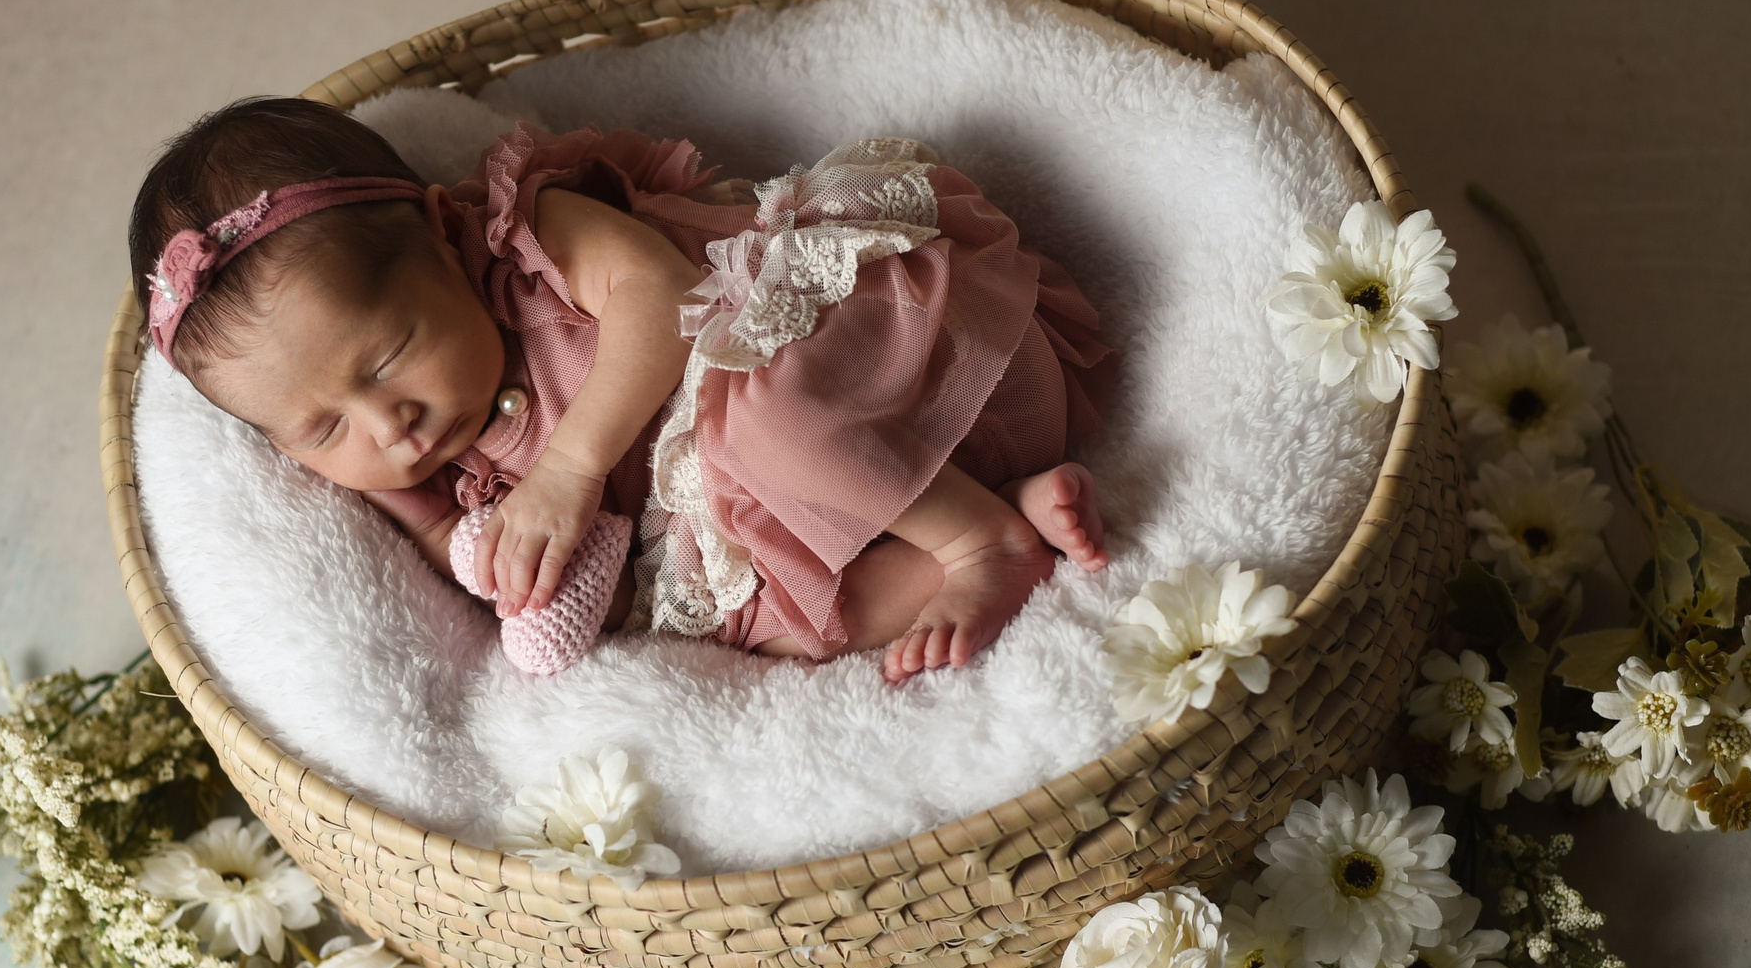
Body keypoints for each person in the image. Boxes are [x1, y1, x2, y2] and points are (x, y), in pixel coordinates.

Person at [131, 97, 1114, 680]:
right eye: (320, 427)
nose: (388, 426)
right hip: (875, 491)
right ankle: (1002, 517)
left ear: (442, 228)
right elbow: (450, 545)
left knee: (769, 422)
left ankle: (974, 538)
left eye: (387, 358)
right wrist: (499, 565)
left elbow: (663, 295)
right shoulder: (399, 464)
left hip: (913, 364)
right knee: (761, 622)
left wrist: (570, 465)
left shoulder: (529, 237)